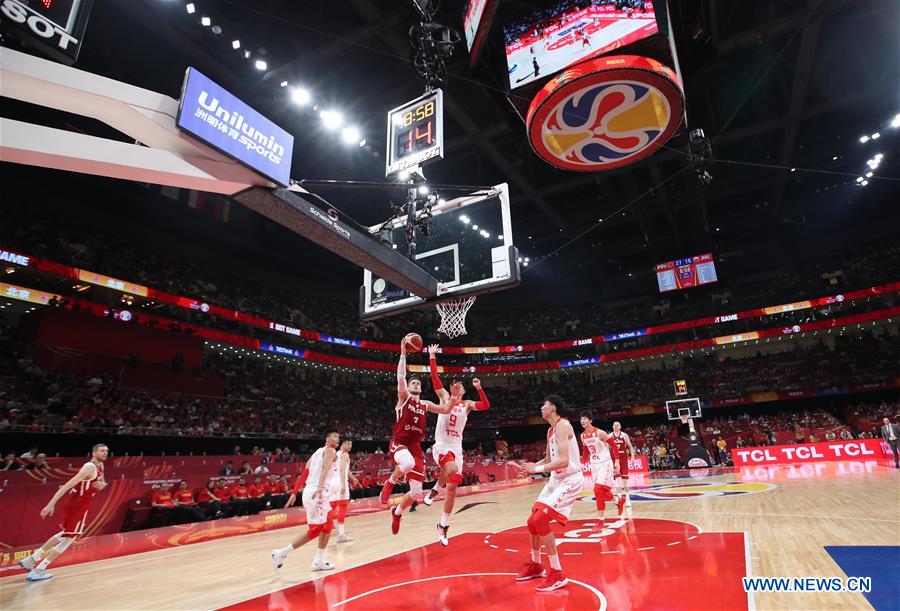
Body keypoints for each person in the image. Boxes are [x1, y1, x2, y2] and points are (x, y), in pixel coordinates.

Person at [379, 338, 452, 535]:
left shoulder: (425, 404)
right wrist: (403, 353)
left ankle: (397, 512)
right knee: (408, 463)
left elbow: (446, 409)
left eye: (418, 383)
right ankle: (390, 482)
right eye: (413, 382)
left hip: (415, 448)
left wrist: (453, 397)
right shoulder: (404, 398)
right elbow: (400, 376)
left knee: (417, 492)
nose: (416, 384)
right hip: (400, 443)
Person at [421, 344, 490, 546]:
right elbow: (435, 379)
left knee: (452, 489)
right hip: (442, 445)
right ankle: (435, 489)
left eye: (460, 384)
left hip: (457, 448)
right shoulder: (445, 396)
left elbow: (486, 406)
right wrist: (432, 356)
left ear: (464, 389)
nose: (457, 385)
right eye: (455, 384)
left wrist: (479, 388)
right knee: (450, 469)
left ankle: (443, 524)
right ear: (451, 388)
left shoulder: (467, 404)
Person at [512, 396, 580, 592]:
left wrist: (535, 469)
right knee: (532, 521)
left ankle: (557, 573)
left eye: (544, 405)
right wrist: (529, 468)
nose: (541, 407)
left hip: (570, 478)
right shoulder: (550, 430)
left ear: (553, 408)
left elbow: (564, 461)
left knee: (540, 519)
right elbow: (549, 459)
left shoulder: (563, 426)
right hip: (556, 480)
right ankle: (536, 565)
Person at [19, 443, 108, 581]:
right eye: (102, 450)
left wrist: (103, 484)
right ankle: (39, 568)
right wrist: (51, 504)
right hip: (77, 504)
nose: (105, 453)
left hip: (82, 504)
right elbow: (66, 486)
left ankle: (31, 560)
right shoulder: (89, 468)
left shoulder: (100, 465)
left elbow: (102, 481)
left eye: (106, 451)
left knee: (65, 534)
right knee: (68, 538)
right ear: (94, 452)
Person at [271, 430, 340, 572]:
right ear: (327, 439)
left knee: (328, 524)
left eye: (339, 437)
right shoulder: (331, 450)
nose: (338, 439)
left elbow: (305, 473)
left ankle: (318, 561)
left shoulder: (316, 453)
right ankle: (281, 553)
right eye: (335, 436)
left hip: (311, 492)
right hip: (317, 492)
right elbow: (325, 469)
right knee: (315, 530)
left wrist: (294, 493)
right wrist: (320, 487)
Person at [580, 413, 625, 527]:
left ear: (590, 420)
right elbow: (585, 451)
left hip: (605, 463)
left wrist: (617, 461)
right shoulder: (583, 436)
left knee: (597, 489)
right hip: (594, 465)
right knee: (602, 493)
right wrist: (582, 463)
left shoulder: (600, 433)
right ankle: (618, 501)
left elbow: (614, 445)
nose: (582, 421)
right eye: (581, 419)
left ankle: (600, 520)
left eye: (584, 419)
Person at [329, 438, 359, 543]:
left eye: (351, 444)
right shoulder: (345, 454)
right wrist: (343, 484)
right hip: (340, 482)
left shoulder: (336, 454)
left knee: (332, 507)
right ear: (342, 444)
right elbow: (342, 469)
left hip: (331, 482)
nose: (350, 446)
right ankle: (341, 535)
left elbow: (346, 469)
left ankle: (326, 528)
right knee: (342, 508)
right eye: (348, 443)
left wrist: (352, 478)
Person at [610, 422, 636, 506]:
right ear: (612, 427)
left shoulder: (624, 435)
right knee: (617, 481)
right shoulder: (609, 436)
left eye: (617, 425)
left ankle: (628, 498)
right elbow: (606, 448)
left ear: (620, 426)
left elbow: (630, 447)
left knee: (625, 481)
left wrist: (632, 456)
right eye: (614, 425)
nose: (616, 426)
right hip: (614, 460)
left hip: (623, 459)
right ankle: (620, 499)